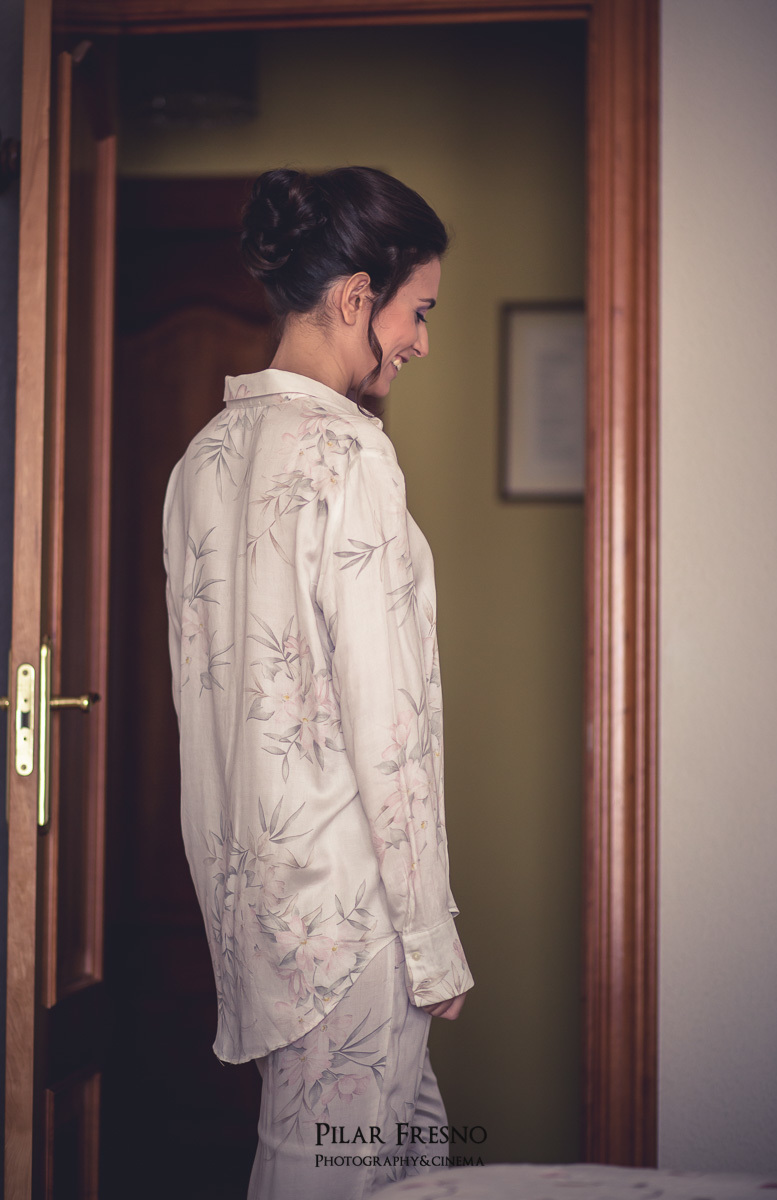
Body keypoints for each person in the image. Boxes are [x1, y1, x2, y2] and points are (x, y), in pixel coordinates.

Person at [162, 166, 473, 1199]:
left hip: (264, 920)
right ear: (354, 299)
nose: (421, 341)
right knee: (324, 1176)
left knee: (412, 1159)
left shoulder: (200, 463)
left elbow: (203, 717)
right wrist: (431, 941)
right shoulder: (351, 458)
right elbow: (391, 725)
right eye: (417, 311)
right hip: (351, 920)